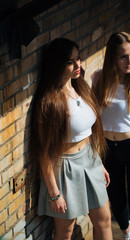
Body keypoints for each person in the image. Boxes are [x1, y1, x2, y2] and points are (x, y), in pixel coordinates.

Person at [30, 38, 113, 240]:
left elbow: (88, 132)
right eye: (70, 62)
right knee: (66, 230)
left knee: (104, 220)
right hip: (65, 168)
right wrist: (54, 193)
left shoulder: (81, 88)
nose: (78, 65)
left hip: (90, 160)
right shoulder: (48, 101)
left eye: (79, 58)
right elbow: (43, 151)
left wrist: (98, 162)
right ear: (57, 64)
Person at [91, 32, 130, 240]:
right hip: (107, 148)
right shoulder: (98, 79)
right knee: (116, 200)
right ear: (113, 58)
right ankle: (125, 233)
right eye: (123, 56)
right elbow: (94, 121)